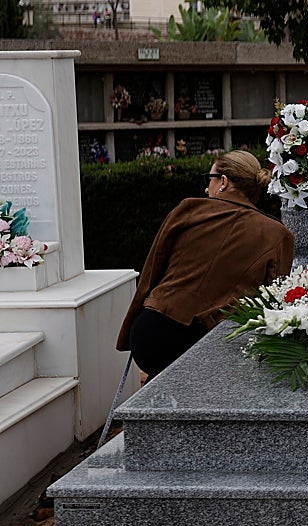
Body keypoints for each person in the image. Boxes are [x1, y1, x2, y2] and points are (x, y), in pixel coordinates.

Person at [116, 150, 294, 380]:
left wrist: (130, 328)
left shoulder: (189, 210)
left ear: (223, 182)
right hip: (211, 341)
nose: (205, 187)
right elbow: (272, 301)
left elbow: (152, 271)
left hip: (153, 331)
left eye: (208, 179)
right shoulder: (277, 235)